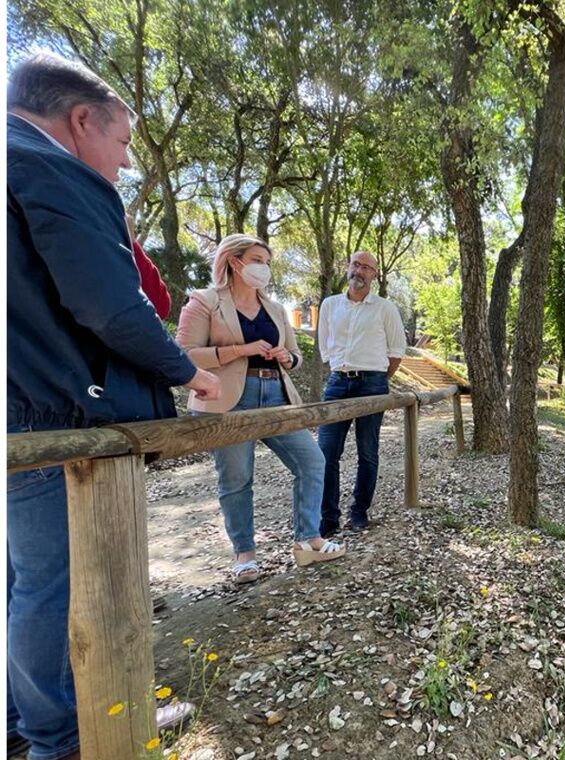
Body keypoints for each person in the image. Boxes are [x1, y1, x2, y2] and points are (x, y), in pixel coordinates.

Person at [6, 53, 221, 760]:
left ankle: (27, 716)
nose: (126, 163)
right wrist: (187, 370)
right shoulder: (53, 169)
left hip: (24, 403)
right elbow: (108, 303)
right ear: (79, 121)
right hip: (59, 413)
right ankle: (66, 737)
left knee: (25, 578)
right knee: (56, 585)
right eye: (124, 142)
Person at [176, 234, 346, 583]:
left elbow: (296, 357)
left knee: (312, 460)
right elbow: (183, 356)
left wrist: (288, 357)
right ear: (234, 262)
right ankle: (245, 555)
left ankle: (308, 538)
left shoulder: (276, 308)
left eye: (267, 262)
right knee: (237, 477)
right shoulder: (205, 301)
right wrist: (239, 350)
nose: (263, 268)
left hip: (276, 395)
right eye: (256, 260)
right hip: (228, 399)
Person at [316, 251, 407, 537]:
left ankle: (359, 513)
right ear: (348, 267)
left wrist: (377, 379)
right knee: (325, 453)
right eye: (356, 264)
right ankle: (328, 517)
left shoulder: (385, 309)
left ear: (374, 275)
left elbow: (396, 351)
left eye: (367, 267)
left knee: (367, 452)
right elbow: (325, 346)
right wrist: (340, 370)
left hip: (372, 383)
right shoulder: (330, 305)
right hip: (337, 383)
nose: (360, 270)